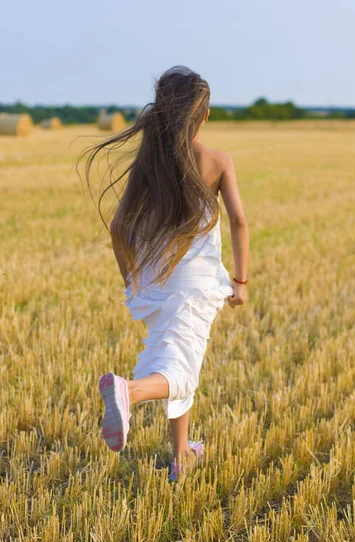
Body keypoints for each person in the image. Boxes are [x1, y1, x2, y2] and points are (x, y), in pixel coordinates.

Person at [83, 65, 249, 481]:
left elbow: (120, 227)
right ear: (203, 115)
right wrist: (241, 282)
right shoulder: (216, 160)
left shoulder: (149, 164)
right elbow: (239, 222)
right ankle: (131, 391)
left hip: (155, 283)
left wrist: (130, 279)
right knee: (180, 370)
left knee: (174, 359)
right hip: (195, 286)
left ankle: (181, 455)